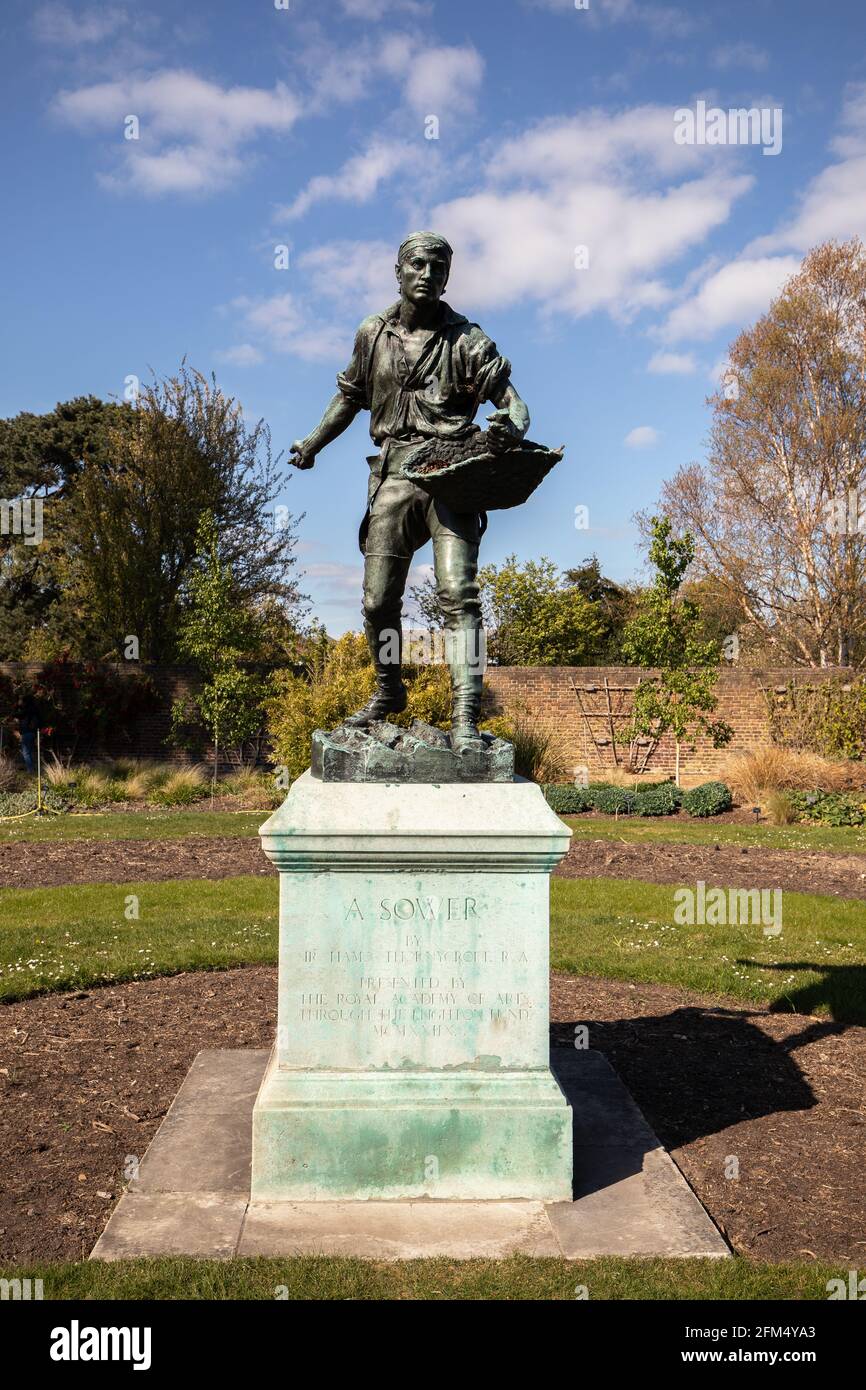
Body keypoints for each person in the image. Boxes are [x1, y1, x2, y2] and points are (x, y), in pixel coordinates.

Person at [289, 231, 530, 752]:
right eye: (417, 265)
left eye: (438, 268)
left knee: (458, 593)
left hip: (454, 476)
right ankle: (388, 690)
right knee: (377, 601)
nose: (427, 274)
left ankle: (465, 717)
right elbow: (349, 397)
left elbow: (514, 405)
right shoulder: (371, 334)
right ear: (398, 272)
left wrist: (510, 426)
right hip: (395, 475)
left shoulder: (467, 340)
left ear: (447, 278)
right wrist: (312, 444)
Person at [17, 693, 39, 773]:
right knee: (29, 751)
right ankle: (32, 768)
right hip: (32, 732)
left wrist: (17, 705)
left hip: (27, 732)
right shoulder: (34, 709)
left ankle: (30, 770)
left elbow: (17, 715)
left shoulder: (26, 710)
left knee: (26, 752)